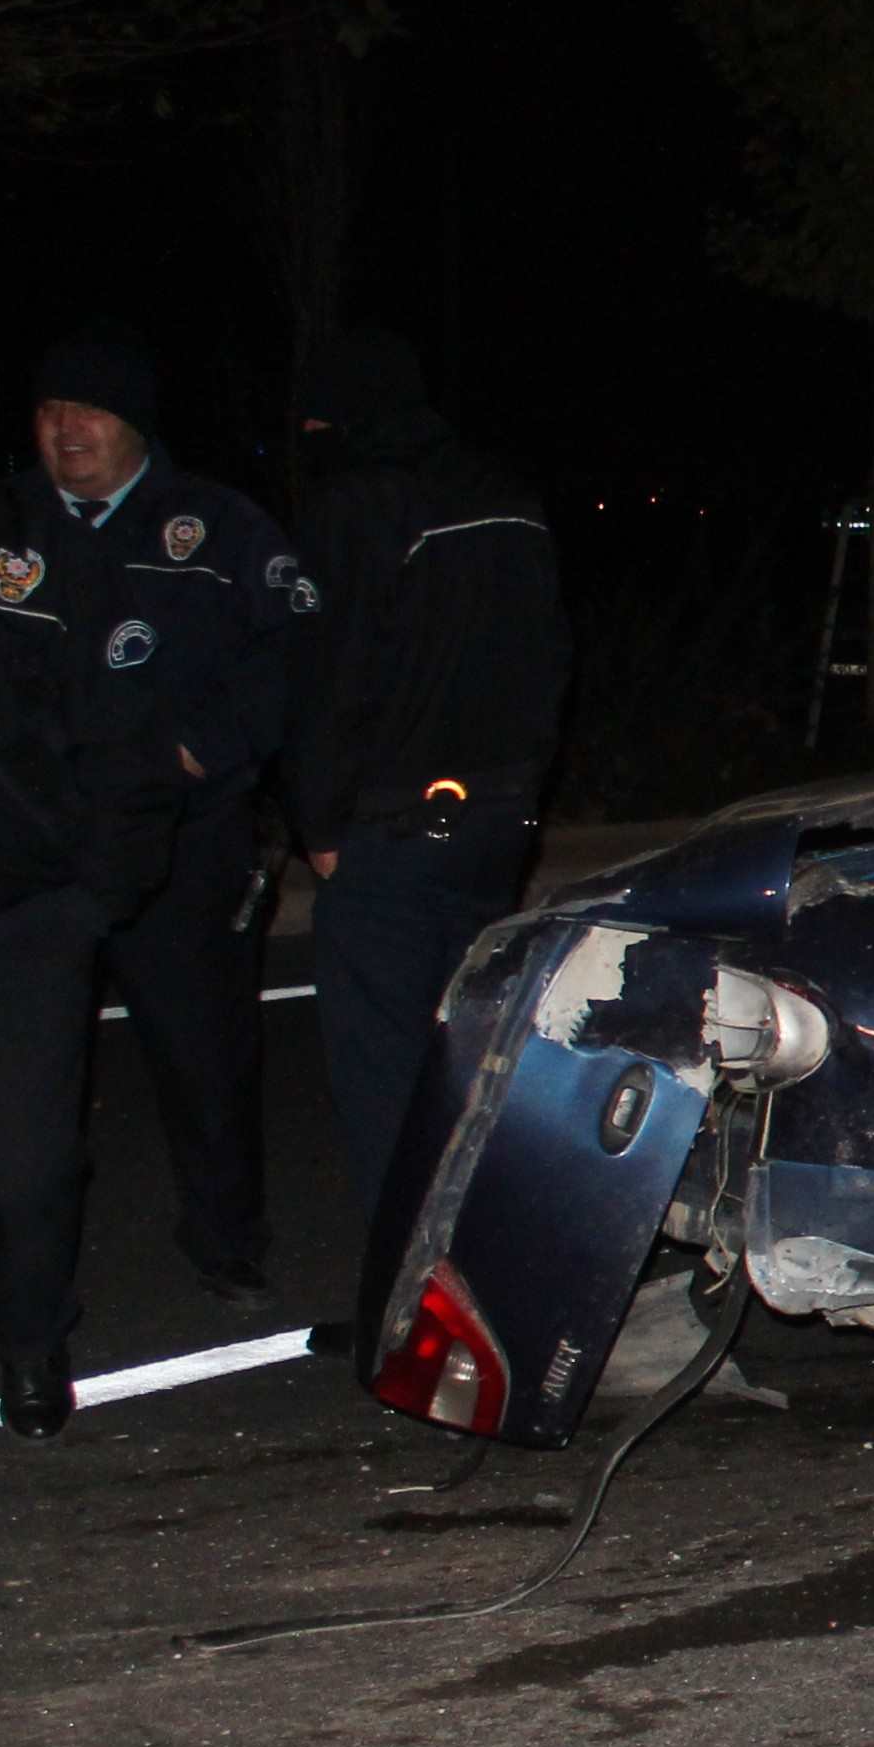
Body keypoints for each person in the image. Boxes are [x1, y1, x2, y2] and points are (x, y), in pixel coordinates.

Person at [288, 330, 569, 1356]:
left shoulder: (357, 503)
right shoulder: (507, 495)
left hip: (395, 829)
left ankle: (406, 1315)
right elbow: (550, 660)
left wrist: (318, 825)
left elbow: (329, 676)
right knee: (475, 1062)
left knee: (384, 1081)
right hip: (494, 823)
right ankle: (492, 1290)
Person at [23, 334, 306, 1317]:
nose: (68, 430)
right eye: (53, 409)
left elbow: (288, 656)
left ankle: (227, 1240)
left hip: (183, 846)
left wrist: (200, 752)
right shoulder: (9, 527)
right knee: (10, 1062)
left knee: (201, 1053)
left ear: (138, 426)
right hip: (35, 848)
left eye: (91, 412)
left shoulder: (216, 526)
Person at [0, 319, 179, 1437]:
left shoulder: (37, 569)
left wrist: (94, 899)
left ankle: (31, 1340)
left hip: (12, 918)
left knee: (20, 1158)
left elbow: (127, 746)